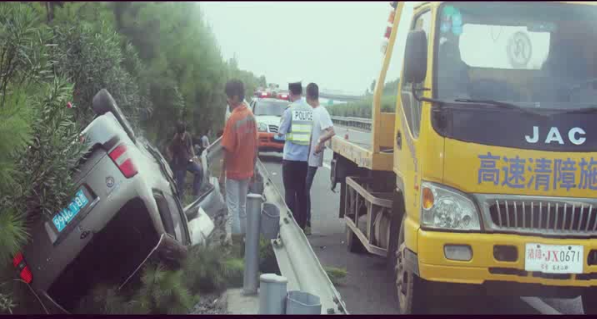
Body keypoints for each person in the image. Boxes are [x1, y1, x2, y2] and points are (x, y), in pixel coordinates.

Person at [220, 79, 259, 245]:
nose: (228, 100)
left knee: (233, 208)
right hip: (247, 170)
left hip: (234, 171)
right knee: (242, 207)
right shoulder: (251, 117)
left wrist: (222, 173)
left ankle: (235, 243)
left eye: (229, 97)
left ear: (235, 97)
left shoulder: (233, 119)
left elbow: (227, 150)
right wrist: (253, 168)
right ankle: (243, 240)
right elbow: (256, 145)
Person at [277, 80, 312, 231]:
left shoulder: (289, 110)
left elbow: (281, 132)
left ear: (290, 93)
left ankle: (291, 227)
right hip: (304, 159)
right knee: (302, 193)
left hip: (290, 159)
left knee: (290, 191)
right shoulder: (310, 110)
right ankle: (302, 225)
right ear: (302, 92)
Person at [305, 83, 335, 235]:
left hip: (314, 157)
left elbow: (331, 131)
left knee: (304, 189)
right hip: (308, 157)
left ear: (308, 95)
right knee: (304, 189)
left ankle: (307, 224)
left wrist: (319, 142)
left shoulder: (321, 111)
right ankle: (305, 222)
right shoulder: (313, 111)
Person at [167, 122, 203, 199]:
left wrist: (194, 157)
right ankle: (180, 197)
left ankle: (195, 193)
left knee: (199, 171)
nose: (182, 136)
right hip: (179, 163)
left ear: (185, 131)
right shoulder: (175, 140)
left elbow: (190, 147)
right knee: (180, 181)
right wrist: (172, 160)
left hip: (188, 160)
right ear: (178, 133)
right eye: (180, 135)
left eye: (183, 134)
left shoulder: (187, 135)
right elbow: (169, 150)